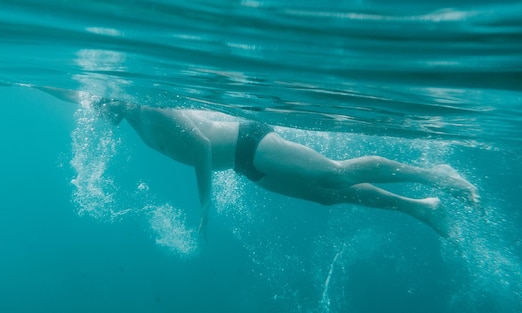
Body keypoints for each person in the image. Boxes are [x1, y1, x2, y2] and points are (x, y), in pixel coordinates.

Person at [98, 99, 479, 237]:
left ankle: (436, 175)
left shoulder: (150, 109)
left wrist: (204, 202)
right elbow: (70, 92)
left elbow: (199, 145)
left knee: (334, 173)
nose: (98, 108)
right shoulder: (129, 115)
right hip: (241, 166)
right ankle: (423, 208)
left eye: (102, 100)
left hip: (249, 142)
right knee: (328, 197)